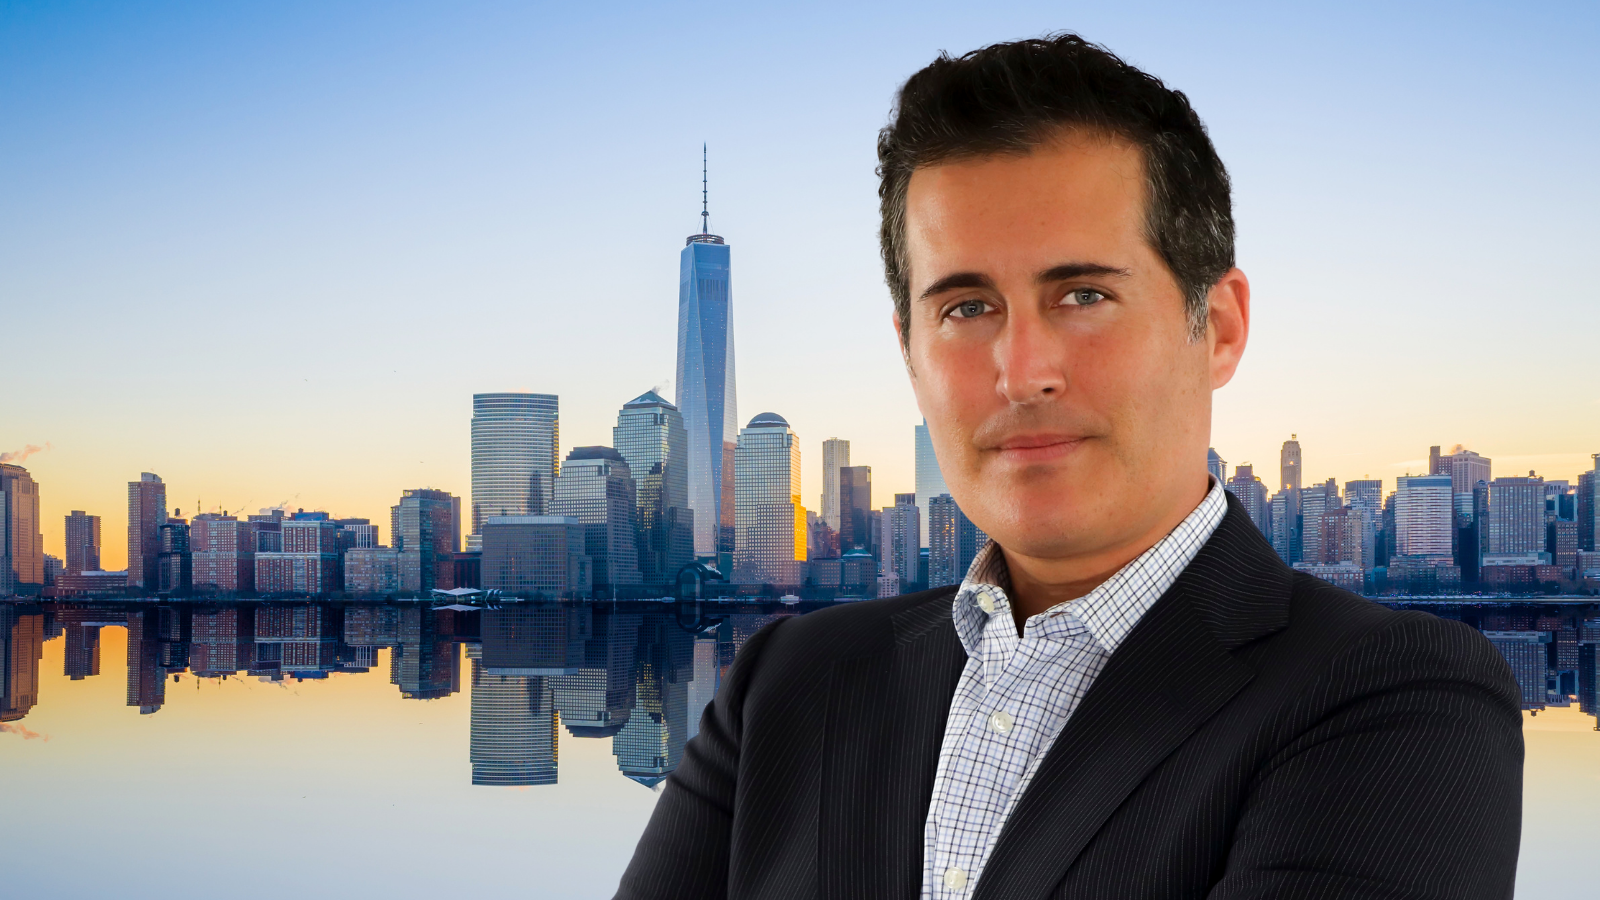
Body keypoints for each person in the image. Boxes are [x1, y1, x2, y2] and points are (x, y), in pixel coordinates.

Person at [616, 33, 1522, 900]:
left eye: (1083, 294)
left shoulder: (1401, 699)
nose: (1022, 373)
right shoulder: (789, 680)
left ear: (1222, 327)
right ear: (910, 353)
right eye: (967, 307)